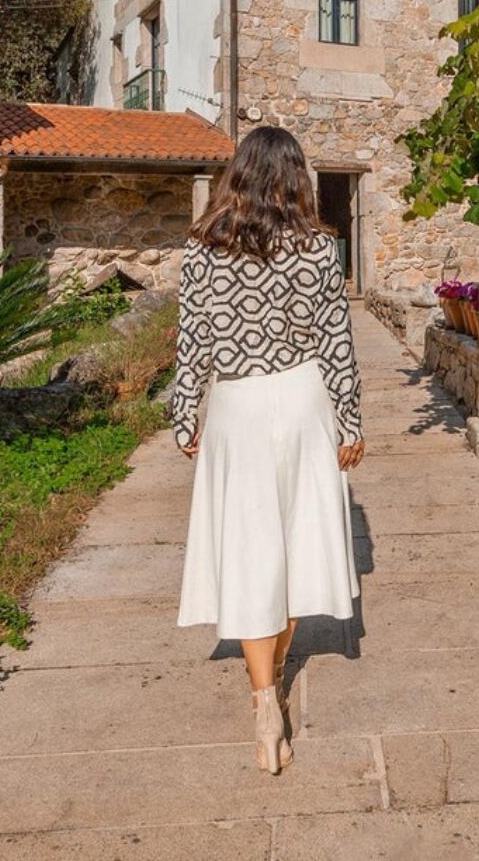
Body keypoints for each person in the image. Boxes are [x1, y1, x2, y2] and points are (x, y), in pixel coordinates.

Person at [169, 125, 365, 775]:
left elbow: (191, 343)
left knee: (253, 553)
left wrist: (184, 418)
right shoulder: (317, 249)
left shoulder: (202, 250)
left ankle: (263, 702)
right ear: (295, 177)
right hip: (302, 400)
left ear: (237, 175)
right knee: (295, 548)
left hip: (237, 409)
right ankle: (277, 672)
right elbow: (336, 341)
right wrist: (350, 420)